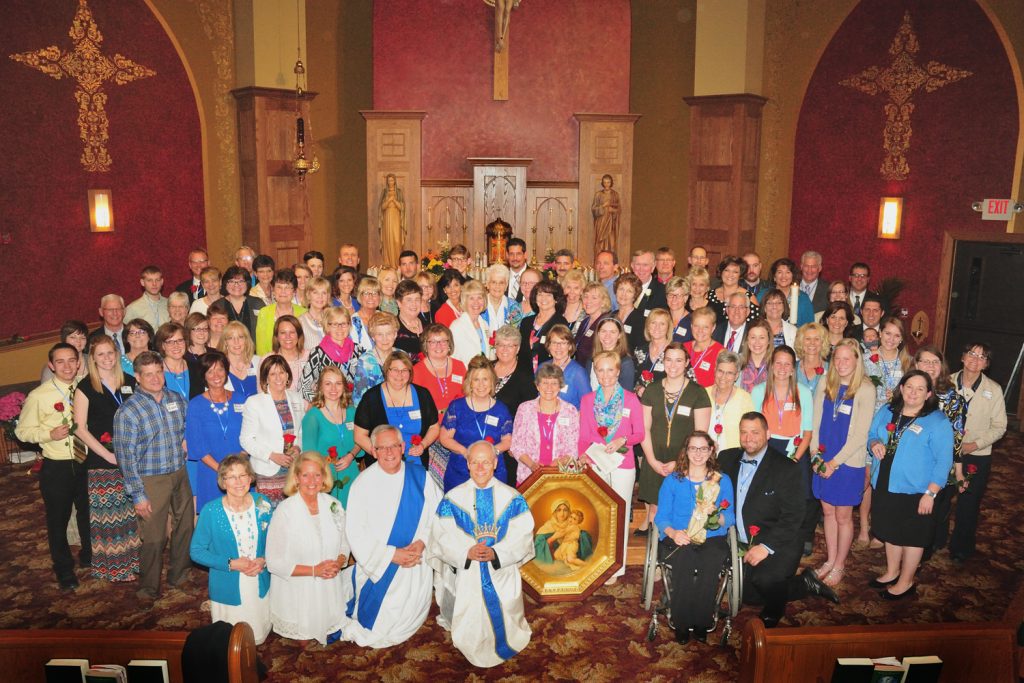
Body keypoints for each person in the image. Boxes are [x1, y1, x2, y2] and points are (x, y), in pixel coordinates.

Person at [718, 413, 838, 628]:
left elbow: (794, 516)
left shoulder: (786, 468)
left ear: (768, 434)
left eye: (755, 432)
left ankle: (776, 607)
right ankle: (804, 583)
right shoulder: (726, 459)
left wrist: (766, 547)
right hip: (743, 540)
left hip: (780, 539)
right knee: (749, 596)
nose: (748, 438)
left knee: (765, 581)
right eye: (744, 432)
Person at [429, 441, 534, 667]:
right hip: (467, 570)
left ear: (495, 463)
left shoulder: (512, 498)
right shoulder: (452, 499)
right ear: (467, 464)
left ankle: (507, 635)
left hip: (501, 568)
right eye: (474, 462)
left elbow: (523, 536)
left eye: (486, 462)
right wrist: (466, 551)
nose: (480, 468)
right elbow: (441, 536)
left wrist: (497, 553)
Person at [338, 425, 442, 648]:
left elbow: (438, 515)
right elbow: (356, 532)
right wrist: (392, 555)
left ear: (403, 447)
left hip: (416, 563)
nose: (389, 452)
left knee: (412, 612)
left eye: (393, 446)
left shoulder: (420, 477)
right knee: (378, 626)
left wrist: (423, 542)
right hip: (381, 567)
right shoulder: (362, 484)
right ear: (373, 451)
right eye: (381, 448)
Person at [111, 351, 194, 603]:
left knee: (185, 527)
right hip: (151, 479)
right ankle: (148, 588)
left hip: (179, 473)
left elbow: (182, 431)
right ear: (137, 376)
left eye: (158, 372)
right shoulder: (128, 412)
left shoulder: (176, 399)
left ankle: (179, 574)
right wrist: (138, 494)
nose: (155, 378)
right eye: (148, 374)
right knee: (155, 537)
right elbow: (126, 458)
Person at [867, 371, 953, 599]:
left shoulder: (937, 421)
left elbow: (944, 461)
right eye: (909, 387)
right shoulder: (887, 411)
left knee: (912, 537)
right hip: (885, 483)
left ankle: (906, 582)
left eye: (920, 389)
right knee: (890, 531)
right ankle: (893, 571)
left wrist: (931, 493)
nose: (913, 392)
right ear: (901, 388)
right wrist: (874, 443)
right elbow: (872, 433)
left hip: (917, 491)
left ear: (929, 394)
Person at [17, 343, 91, 590]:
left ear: (79, 362)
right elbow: (22, 431)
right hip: (57, 466)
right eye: (60, 362)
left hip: (86, 461)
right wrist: (48, 434)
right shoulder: (39, 395)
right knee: (57, 520)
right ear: (51, 365)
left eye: (72, 360)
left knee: (87, 513)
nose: (67, 366)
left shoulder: (88, 387)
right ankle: (63, 569)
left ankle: (89, 557)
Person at [655, 431, 735, 643]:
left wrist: (716, 515)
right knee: (685, 560)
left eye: (703, 448)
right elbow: (661, 516)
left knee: (711, 561)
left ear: (711, 451)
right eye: (693, 448)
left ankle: (702, 620)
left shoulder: (722, 481)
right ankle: (681, 622)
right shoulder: (673, 480)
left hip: (712, 536)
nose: (698, 453)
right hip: (680, 534)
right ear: (686, 451)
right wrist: (673, 533)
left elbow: (730, 517)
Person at [72, 336, 141, 583]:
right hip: (103, 460)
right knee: (110, 516)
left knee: (130, 513)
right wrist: (107, 454)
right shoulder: (86, 387)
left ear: (117, 353)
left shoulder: (130, 382)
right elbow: (79, 428)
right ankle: (114, 568)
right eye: (100, 354)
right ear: (93, 358)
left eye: (110, 353)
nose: (107, 358)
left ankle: (132, 562)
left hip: (131, 458)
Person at [809, 339, 875, 587]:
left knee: (844, 516)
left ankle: (840, 564)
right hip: (823, 458)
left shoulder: (866, 389)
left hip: (847, 462)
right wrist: (816, 456)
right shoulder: (826, 382)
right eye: (837, 358)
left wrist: (834, 463)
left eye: (847, 358)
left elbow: (861, 435)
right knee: (827, 511)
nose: (841, 363)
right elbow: (814, 422)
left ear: (857, 361)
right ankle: (829, 560)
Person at [266, 451, 349, 645]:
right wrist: (314, 570)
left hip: (328, 582)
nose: (312, 481)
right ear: (296, 478)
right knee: (303, 643)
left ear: (324, 477)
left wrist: (337, 563)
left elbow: (345, 543)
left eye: (317, 475)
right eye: (305, 475)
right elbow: (274, 562)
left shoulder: (334, 505)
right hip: (296, 587)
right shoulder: (284, 511)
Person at [190, 455, 273, 645]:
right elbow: (196, 551)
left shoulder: (263, 503)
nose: (238, 482)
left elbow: (276, 541)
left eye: (243, 475)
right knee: (232, 642)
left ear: (251, 478)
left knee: (258, 637)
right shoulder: (211, 511)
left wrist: (264, 559)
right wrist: (231, 564)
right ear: (222, 482)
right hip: (228, 585)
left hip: (258, 578)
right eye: (231, 477)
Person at [578, 350, 645, 582]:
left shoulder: (631, 399)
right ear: (595, 372)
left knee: (619, 512)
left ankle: (617, 566)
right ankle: (600, 562)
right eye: (600, 370)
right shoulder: (587, 400)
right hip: (596, 462)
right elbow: (583, 436)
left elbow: (640, 433)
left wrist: (622, 440)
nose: (605, 375)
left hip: (623, 463)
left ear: (618, 371)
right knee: (599, 513)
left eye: (610, 369)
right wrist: (583, 456)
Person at [636, 343, 711, 534]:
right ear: (663, 361)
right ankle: (653, 555)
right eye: (668, 360)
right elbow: (644, 428)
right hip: (655, 457)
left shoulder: (698, 393)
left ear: (687, 363)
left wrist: (679, 462)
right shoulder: (652, 390)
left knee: (677, 509)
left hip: (685, 460)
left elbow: (700, 436)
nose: (673, 365)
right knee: (655, 507)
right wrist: (652, 461)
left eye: (679, 360)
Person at [949, 342, 1007, 563]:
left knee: (969, 502)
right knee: (939, 498)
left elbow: (1000, 426)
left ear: (986, 364)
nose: (975, 359)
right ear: (962, 357)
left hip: (976, 455)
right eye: (971, 354)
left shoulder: (994, 389)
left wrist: (975, 444)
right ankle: (932, 542)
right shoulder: (946, 382)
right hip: (945, 452)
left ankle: (961, 548)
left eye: (982, 357)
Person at [911, 346, 965, 558]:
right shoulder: (908, 391)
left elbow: (958, 437)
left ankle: (923, 553)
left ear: (942, 367)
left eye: (935, 362)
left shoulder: (953, 399)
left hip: (939, 464)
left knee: (933, 513)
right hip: (911, 462)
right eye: (925, 361)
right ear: (916, 365)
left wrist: (958, 471)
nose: (930, 366)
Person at [239, 355, 306, 506]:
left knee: (291, 515)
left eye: (282, 372)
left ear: (288, 375)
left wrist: (297, 447)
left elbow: (301, 431)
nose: (278, 378)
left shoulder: (297, 398)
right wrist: (271, 455)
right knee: (268, 518)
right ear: (265, 378)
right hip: (267, 471)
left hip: (292, 469)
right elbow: (246, 439)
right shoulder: (254, 403)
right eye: (273, 374)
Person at [354, 352, 440, 470]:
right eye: (395, 369)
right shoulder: (371, 398)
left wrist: (423, 445)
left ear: (410, 373)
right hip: (382, 465)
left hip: (416, 465)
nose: (400, 375)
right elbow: (359, 436)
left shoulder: (423, 395)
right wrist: (378, 453)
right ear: (386, 371)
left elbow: (434, 428)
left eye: (405, 370)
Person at [184, 351, 245, 513]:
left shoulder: (241, 399)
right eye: (210, 371)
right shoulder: (196, 405)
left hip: (241, 472)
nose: (216, 375)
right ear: (203, 375)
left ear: (226, 371)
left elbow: (250, 434)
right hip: (212, 473)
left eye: (220, 369)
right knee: (215, 521)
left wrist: (238, 469)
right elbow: (197, 447)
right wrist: (224, 471)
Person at [439, 361, 513, 491]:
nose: (481, 385)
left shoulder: (501, 409)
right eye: (476, 379)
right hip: (461, 472)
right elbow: (445, 438)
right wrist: (465, 452)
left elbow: (507, 441)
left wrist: (490, 454)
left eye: (485, 379)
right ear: (470, 383)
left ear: (492, 382)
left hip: (493, 473)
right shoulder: (457, 406)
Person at [509, 364, 581, 484]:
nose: (549, 388)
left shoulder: (570, 411)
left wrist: (556, 464)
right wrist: (532, 465)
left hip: (559, 476)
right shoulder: (525, 409)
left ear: (560, 386)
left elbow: (573, 448)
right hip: (528, 475)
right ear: (537, 386)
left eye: (554, 383)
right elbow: (516, 445)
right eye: (545, 383)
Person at [302, 366, 360, 507]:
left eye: (338, 383)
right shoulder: (313, 416)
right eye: (328, 383)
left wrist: (350, 456)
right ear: (320, 387)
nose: (333, 388)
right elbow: (309, 455)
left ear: (344, 386)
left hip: (351, 472)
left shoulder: (352, 411)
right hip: (325, 478)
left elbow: (361, 440)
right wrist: (327, 464)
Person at [299, 306, 355, 402]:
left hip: (354, 407)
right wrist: (323, 403)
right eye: (334, 324)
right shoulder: (318, 353)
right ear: (327, 326)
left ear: (349, 325)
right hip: (327, 408)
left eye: (344, 324)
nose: (340, 328)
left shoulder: (358, 350)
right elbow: (303, 388)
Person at [412, 324, 465, 418]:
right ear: (425, 346)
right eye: (433, 342)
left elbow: (468, 395)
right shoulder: (417, 371)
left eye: (443, 341)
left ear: (449, 344)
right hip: (432, 423)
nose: (439, 346)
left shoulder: (459, 366)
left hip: (460, 420)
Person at [706, 350, 754, 452]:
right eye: (720, 371)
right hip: (704, 456)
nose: (723, 377)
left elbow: (750, 432)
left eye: (729, 373)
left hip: (733, 457)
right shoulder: (703, 394)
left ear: (736, 376)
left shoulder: (745, 398)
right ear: (715, 370)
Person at [350, 312, 401, 404]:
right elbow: (359, 400)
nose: (385, 339)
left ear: (395, 334)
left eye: (389, 333)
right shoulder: (365, 362)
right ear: (373, 337)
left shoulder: (402, 356)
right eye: (380, 334)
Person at [518, 279, 569, 370]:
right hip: (525, 374)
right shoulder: (526, 322)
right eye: (540, 294)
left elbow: (562, 354)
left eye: (548, 295)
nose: (543, 299)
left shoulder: (560, 323)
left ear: (556, 299)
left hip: (548, 374)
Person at [255, 269, 307, 355]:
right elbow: (261, 347)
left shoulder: (304, 313)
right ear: (274, 290)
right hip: (271, 363)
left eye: (287, 287)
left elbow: (305, 343)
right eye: (279, 287)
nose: (283, 291)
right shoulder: (264, 313)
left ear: (294, 291)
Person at [540, 324, 589, 408]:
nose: (558, 347)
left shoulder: (578, 372)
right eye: (554, 342)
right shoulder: (541, 368)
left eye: (563, 343)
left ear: (570, 346)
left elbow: (588, 405)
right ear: (549, 345)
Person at [155, 322, 203, 404]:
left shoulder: (197, 368)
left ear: (185, 342)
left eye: (180, 340)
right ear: (162, 345)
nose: (176, 346)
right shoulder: (155, 371)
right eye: (170, 342)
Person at [586, 317, 637, 391]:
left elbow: (626, 395)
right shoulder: (591, 359)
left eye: (612, 332)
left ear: (619, 335)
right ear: (598, 333)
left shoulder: (625, 363)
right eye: (603, 331)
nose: (607, 336)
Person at [450, 280, 493, 366]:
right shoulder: (456, 327)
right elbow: (452, 357)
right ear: (465, 300)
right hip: (465, 376)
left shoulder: (484, 324)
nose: (476, 302)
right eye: (471, 298)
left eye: (479, 298)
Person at [218, 321, 260, 404]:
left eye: (240, 337)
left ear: (246, 340)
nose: (236, 342)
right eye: (230, 338)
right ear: (225, 342)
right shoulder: (218, 367)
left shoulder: (259, 362)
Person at [709, 256, 760, 324]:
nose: (730, 275)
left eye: (735, 272)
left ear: (740, 275)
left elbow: (755, 325)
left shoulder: (749, 297)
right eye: (727, 270)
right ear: (721, 272)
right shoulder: (710, 295)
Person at [633, 309, 672, 394]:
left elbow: (688, 382)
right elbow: (633, 380)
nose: (657, 327)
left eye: (662, 324)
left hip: (666, 403)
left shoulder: (675, 352)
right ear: (647, 326)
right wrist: (638, 388)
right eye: (653, 323)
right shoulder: (639, 351)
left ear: (668, 327)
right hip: (642, 403)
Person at [682, 307, 723, 388]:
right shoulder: (684, 348)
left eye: (705, 327)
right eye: (696, 326)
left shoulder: (720, 353)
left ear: (713, 328)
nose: (700, 331)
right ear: (691, 326)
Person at [574, 282, 613, 366]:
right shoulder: (585, 320)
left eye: (594, 298)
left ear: (603, 302)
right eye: (586, 296)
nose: (588, 301)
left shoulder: (605, 323)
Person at [769, 258, 814, 327]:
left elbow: (809, 326)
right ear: (774, 277)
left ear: (793, 276)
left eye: (788, 272)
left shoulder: (803, 298)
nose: (784, 276)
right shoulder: (764, 295)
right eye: (779, 272)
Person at [271, 314, 308, 393]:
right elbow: (263, 392)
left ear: (299, 335)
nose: (288, 337)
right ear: (277, 336)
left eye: (292, 332)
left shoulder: (310, 357)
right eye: (283, 333)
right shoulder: (268, 360)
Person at [613, 273, 646, 350]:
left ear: (635, 295)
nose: (624, 294)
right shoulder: (611, 316)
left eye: (629, 291)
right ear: (616, 291)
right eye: (621, 289)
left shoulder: (641, 320)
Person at [737, 320, 772, 393]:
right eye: (753, 337)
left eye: (762, 337)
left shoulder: (777, 364)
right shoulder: (736, 362)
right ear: (747, 339)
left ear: (769, 340)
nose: (757, 342)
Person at [794, 322, 829, 395]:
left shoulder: (831, 369)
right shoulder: (792, 368)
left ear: (822, 342)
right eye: (808, 339)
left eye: (816, 339)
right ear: (801, 342)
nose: (812, 343)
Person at [629, 249, 668, 314]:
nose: (641, 269)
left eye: (645, 265)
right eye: (638, 264)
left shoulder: (662, 292)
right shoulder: (624, 289)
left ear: (653, 267)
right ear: (632, 266)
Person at [394, 279, 425, 356]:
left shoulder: (427, 324)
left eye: (417, 299)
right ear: (399, 303)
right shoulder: (394, 328)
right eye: (409, 300)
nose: (414, 304)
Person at [300, 277, 332, 349]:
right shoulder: (300, 321)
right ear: (308, 295)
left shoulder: (333, 318)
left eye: (324, 293)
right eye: (315, 292)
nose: (320, 297)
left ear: (328, 296)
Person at [592, 173, 621, 254]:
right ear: (602, 183)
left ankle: (610, 258)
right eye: (605, 182)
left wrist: (613, 210)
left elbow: (619, 209)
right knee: (600, 243)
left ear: (611, 183)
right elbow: (594, 209)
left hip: (611, 222)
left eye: (608, 182)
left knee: (610, 242)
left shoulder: (615, 195)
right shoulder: (598, 194)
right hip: (601, 222)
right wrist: (603, 206)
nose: (606, 184)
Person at [665, 276, 692, 343]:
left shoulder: (692, 321)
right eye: (671, 295)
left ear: (685, 297)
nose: (674, 299)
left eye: (678, 295)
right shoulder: (662, 317)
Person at [560, 269, 588, 334]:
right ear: (563, 288)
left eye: (576, 288)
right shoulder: (558, 308)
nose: (572, 292)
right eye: (568, 287)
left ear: (582, 291)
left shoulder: (587, 311)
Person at [505, 237, 529, 302]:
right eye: (511, 254)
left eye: (518, 254)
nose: (515, 258)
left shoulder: (538, 277)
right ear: (507, 255)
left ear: (525, 255)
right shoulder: (502, 277)